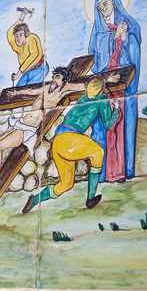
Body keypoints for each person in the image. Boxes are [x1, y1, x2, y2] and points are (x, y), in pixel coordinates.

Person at [22, 77, 119, 212]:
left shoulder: (82, 99)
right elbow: (108, 124)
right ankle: (90, 198)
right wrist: (116, 110)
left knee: (66, 184)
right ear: (100, 91)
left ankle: (35, 199)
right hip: (70, 141)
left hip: (58, 141)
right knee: (99, 152)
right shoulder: (101, 99)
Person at [88, 0, 140, 182]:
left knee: (120, 126)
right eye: (99, 6)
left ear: (115, 3)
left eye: (105, 4)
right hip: (105, 86)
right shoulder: (99, 31)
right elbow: (95, 55)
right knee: (105, 128)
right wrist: (112, 37)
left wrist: (125, 38)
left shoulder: (128, 25)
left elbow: (134, 47)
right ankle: (104, 173)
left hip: (122, 85)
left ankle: (120, 172)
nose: (103, 9)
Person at [7, 10, 47, 87]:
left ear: (26, 34)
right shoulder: (17, 45)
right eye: (16, 36)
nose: (18, 38)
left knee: (27, 91)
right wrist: (22, 16)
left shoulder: (32, 38)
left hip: (39, 69)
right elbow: (9, 34)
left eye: (21, 35)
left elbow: (33, 55)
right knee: (18, 89)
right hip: (27, 71)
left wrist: (19, 73)